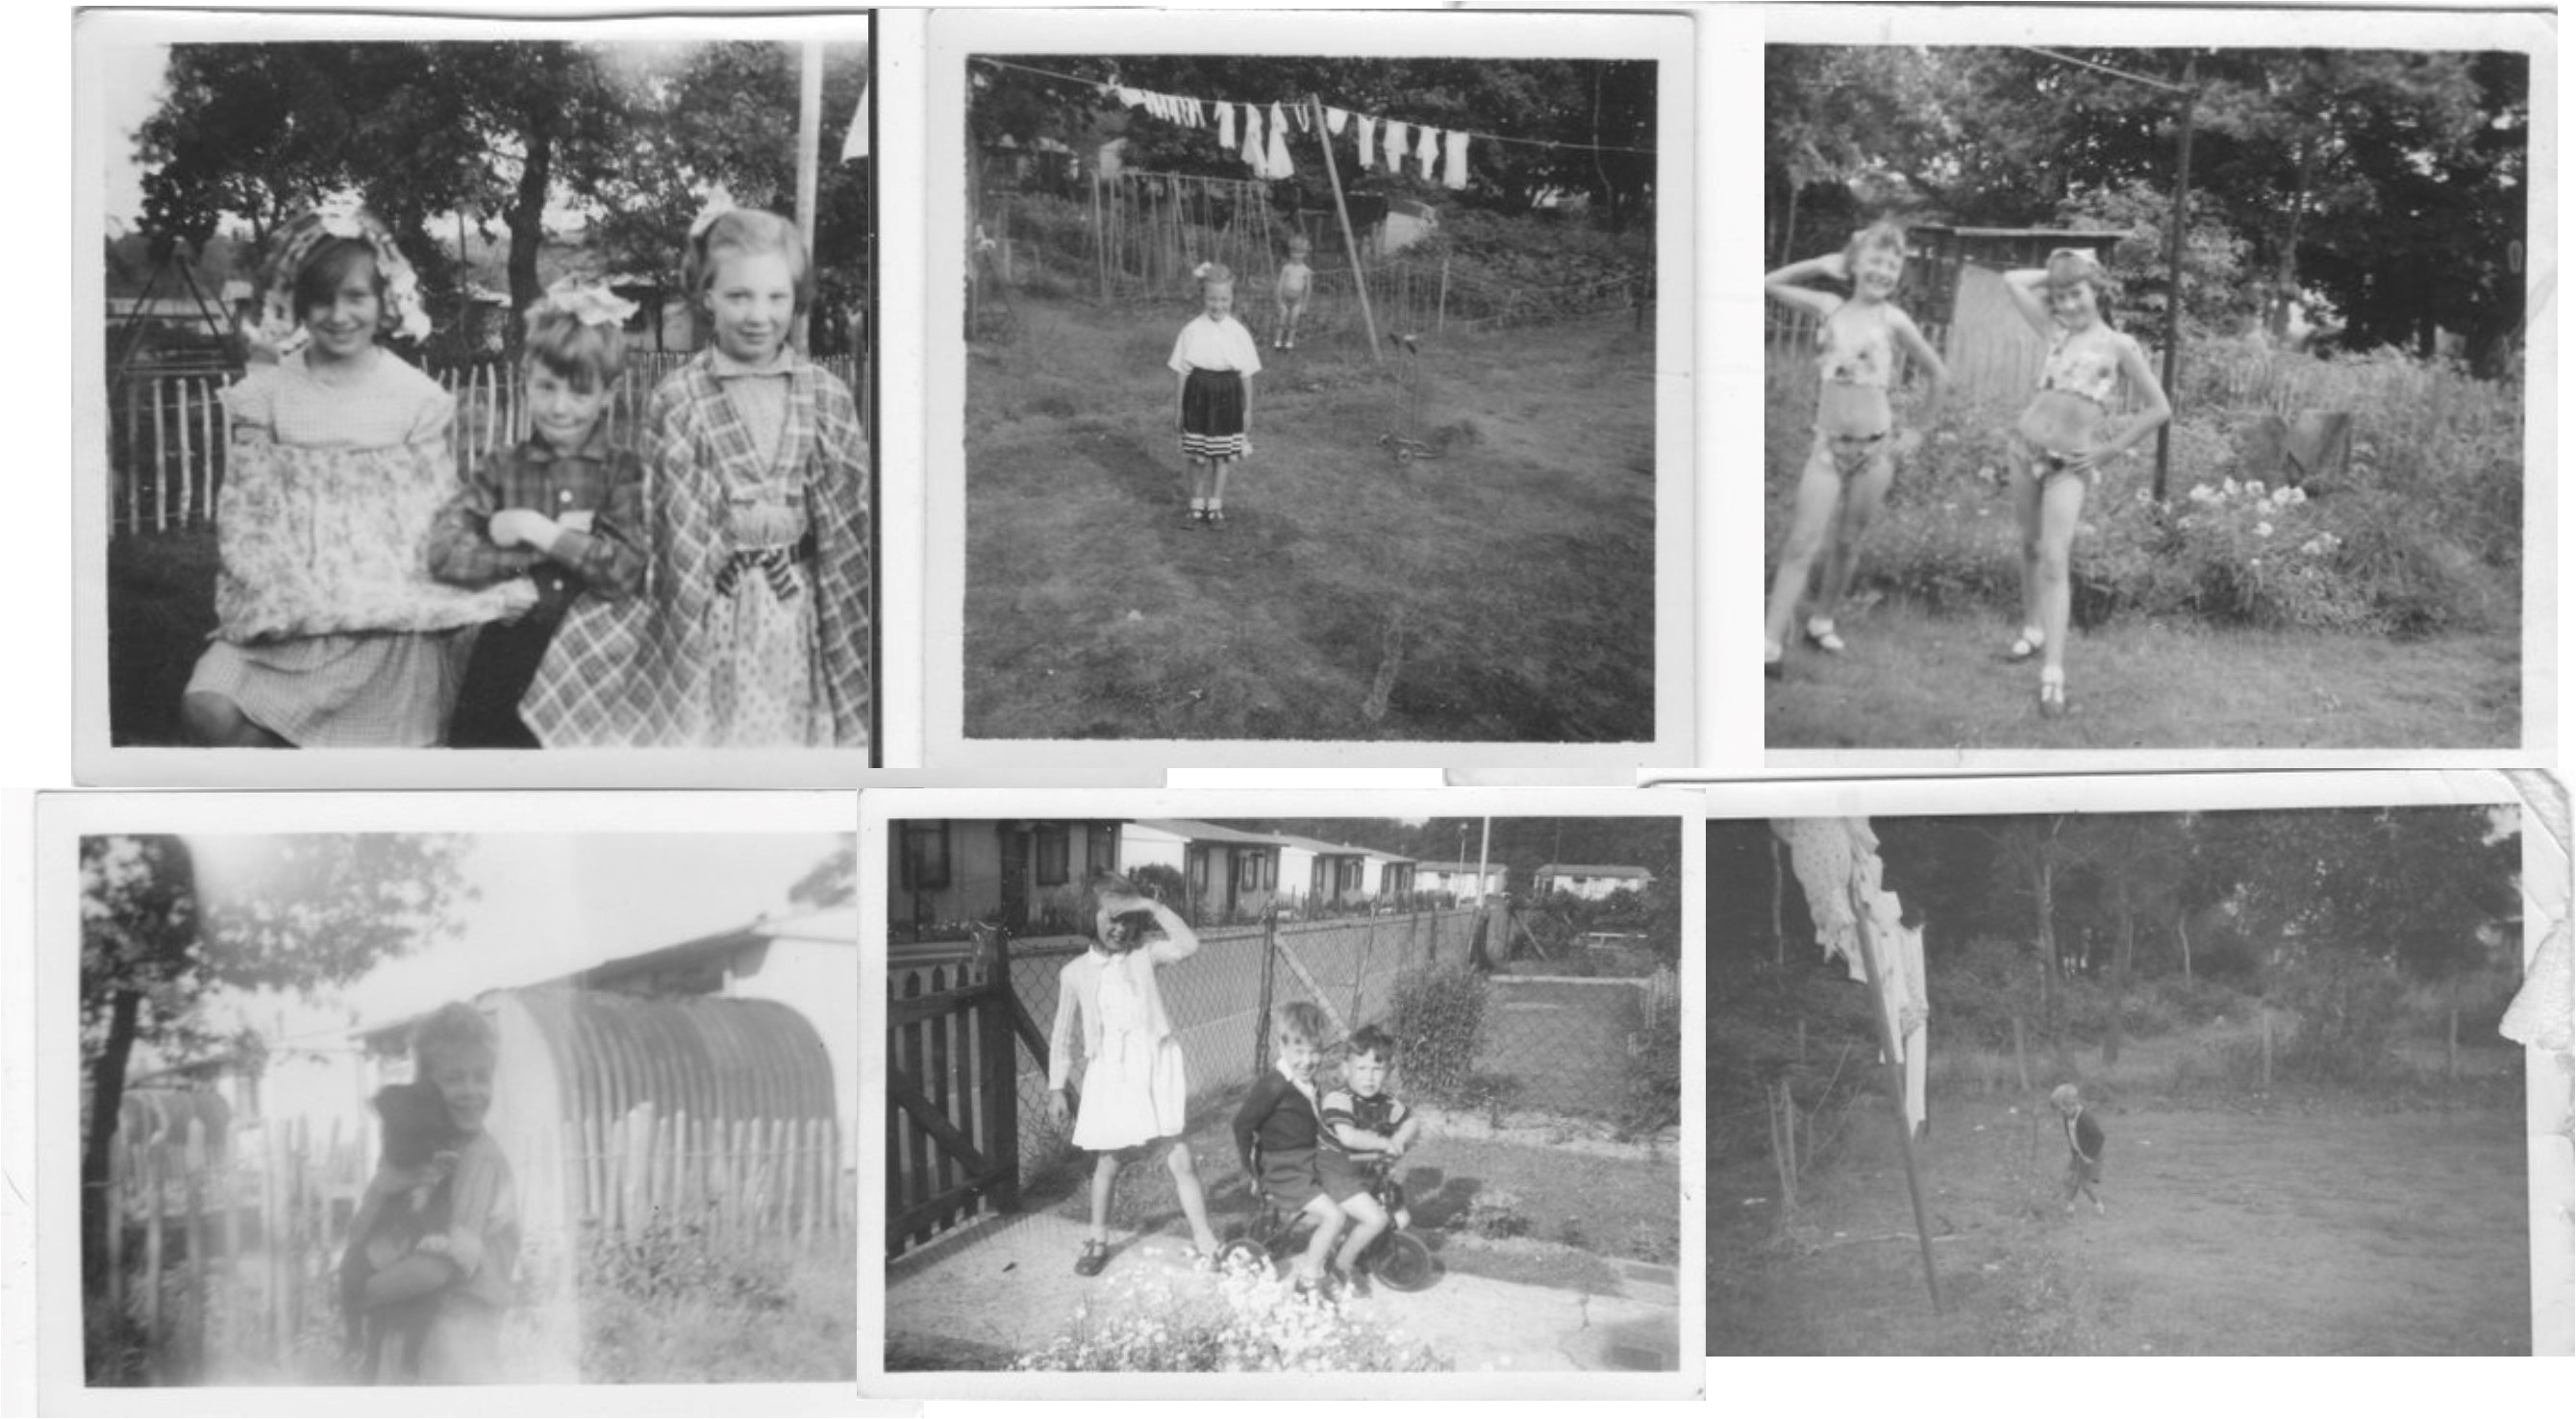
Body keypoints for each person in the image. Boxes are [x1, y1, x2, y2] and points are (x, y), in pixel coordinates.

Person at [180, 202, 534, 748]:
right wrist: (277, 591)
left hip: (384, 616)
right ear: (300, 303)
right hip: (291, 608)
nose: (338, 315)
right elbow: (246, 516)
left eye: (356, 297)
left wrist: (484, 573)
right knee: (208, 710)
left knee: (386, 754)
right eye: (322, 298)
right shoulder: (269, 393)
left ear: (384, 301)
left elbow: (434, 517)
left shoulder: (412, 398)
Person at [522, 200, 872, 748]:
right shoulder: (679, 398)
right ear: (706, 296)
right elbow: (671, 532)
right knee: (715, 739)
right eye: (739, 295)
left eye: (776, 296)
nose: (759, 315)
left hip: (798, 612)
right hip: (713, 611)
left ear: (796, 298)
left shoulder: (826, 396)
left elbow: (850, 524)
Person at [427, 281, 648, 748]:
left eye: (579, 391)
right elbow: (444, 550)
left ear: (608, 394)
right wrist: (508, 569)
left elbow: (623, 571)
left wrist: (536, 531)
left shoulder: (622, 474)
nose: (560, 406)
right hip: (508, 655)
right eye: (546, 387)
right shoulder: (501, 469)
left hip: (593, 663)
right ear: (526, 378)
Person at [1762, 221, 1948, 676]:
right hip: (1827, 448)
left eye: (1893, 263)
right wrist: (1820, 264)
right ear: (1854, 264)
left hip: (1875, 453)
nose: (1883, 270)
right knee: (1802, 542)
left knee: (1848, 541)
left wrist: (1919, 431)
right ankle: (1768, 639)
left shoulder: (1895, 321)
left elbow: (1939, 376)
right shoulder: (1828, 307)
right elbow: (1766, 284)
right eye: (1875, 260)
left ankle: (1822, 620)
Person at [1997, 247, 2172, 717]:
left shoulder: (2120, 347)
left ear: (2097, 290)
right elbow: (2012, 279)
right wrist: (2057, 273)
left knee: (2055, 560)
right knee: (2030, 547)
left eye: (2076, 294)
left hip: (2068, 467)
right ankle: (2032, 630)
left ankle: (2052, 674)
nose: (2068, 305)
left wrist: (2109, 451)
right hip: (2023, 448)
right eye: (2060, 297)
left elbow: (2160, 408)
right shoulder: (2054, 331)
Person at [1047, 871, 1226, 1277]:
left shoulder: (1145, 954)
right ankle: (1097, 1238)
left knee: (1180, 1158)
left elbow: (1189, 944)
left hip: (1154, 1065)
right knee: (1109, 1162)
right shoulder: (1074, 973)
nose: (1120, 926)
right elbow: (1061, 1035)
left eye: (1128, 917)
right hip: (1111, 1072)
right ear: (1086, 917)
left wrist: (1151, 906)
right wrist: (1057, 1087)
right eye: (1110, 916)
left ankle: (1205, 1240)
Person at [344, 1003, 519, 1383]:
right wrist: (382, 1186)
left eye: (481, 1077)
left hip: (459, 1341)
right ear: (427, 1085)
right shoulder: (420, 1149)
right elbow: (359, 1234)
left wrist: (357, 1295)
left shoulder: (479, 1160)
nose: (471, 1091)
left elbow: (434, 1270)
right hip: (405, 1333)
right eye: (455, 1078)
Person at [338, 1081, 463, 1382]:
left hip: (415, 1244)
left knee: (414, 1293)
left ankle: (392, 1358)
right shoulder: (408, 1140)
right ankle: (359, 1345)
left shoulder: (429, 1139)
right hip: (390, 1237)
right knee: (354, 1274)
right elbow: (365, 1220)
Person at [1231, 1001, 1347, 1295]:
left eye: (1315, 1052)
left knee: (1352, 1186)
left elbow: (1311, 1124)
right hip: (1285, 1172)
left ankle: (1340, 1252)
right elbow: (1242, 1125)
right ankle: (1309, 1277)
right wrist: (1250, 1171)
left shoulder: (1308, 1083)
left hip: (1307, 1162)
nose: (1308, 1061)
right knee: (1335, 1216)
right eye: (1299, 1052)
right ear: (1281, 1046)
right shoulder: (1274, 1086)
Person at [1316, 1024, 1421, 1296]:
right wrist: (1384, 1143)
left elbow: (1411, 1121)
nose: (1369, 1077)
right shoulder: (1338, 1100)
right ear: (1345, 1070)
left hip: (1365, 1173)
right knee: (1376, 1220)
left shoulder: (1386, 1102)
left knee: (1401, 1218)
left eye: (1377, 1069)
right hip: (1335, 1173)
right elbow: (1349, 1137)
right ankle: (1340, 1267)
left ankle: (1363, 1251)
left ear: (1387, 1072)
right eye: (1361, 1069)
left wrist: (1400, 1138)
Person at [1169, 261, 1262, 527]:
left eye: (1224, 299)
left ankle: (1215, 506)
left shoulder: (1239, 333)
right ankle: (1196, 506)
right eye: (1212, 299)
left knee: (1221, 455)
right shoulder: (1191, 330)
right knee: (1197, 456)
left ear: (1232, 298)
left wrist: (1248, 410)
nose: (1218, 305)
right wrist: (1178, 409)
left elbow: (1246, 374)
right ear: (1203, 297)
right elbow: (1182, 373)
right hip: (1197, 398)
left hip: (1228, 399)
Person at [2052, 1082, 2107, 1215]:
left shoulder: (2084, 1118)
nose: (2060, 1112)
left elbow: (2100, 1136)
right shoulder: (2066, 1117)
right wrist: (2074, 1153)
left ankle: (2098, 1204)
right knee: (2069, 1178)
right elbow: (2071, 1136)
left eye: (2062, 1109)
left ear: (2071, 1104)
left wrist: (2090, 1156)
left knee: (2085, 1185)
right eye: (2059, 1110)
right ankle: (2069, 1204)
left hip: (2091, 1155)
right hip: (2078, 1154)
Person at [1272, 234, 1314, 350]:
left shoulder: (1306, 271)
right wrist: (1278, 300)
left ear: (1305, 253)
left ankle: (1289, 343)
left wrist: (1305, 305)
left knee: (1293, 321)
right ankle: (1277, 342)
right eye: (1294, 252)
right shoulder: (1286, 268)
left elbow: (1308, 289)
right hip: (1285, 299)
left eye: (1300, 252)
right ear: (1290, 252)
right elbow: (1280, 285)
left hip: (1297, 301)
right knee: (1282, 319)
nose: (1297, 255)